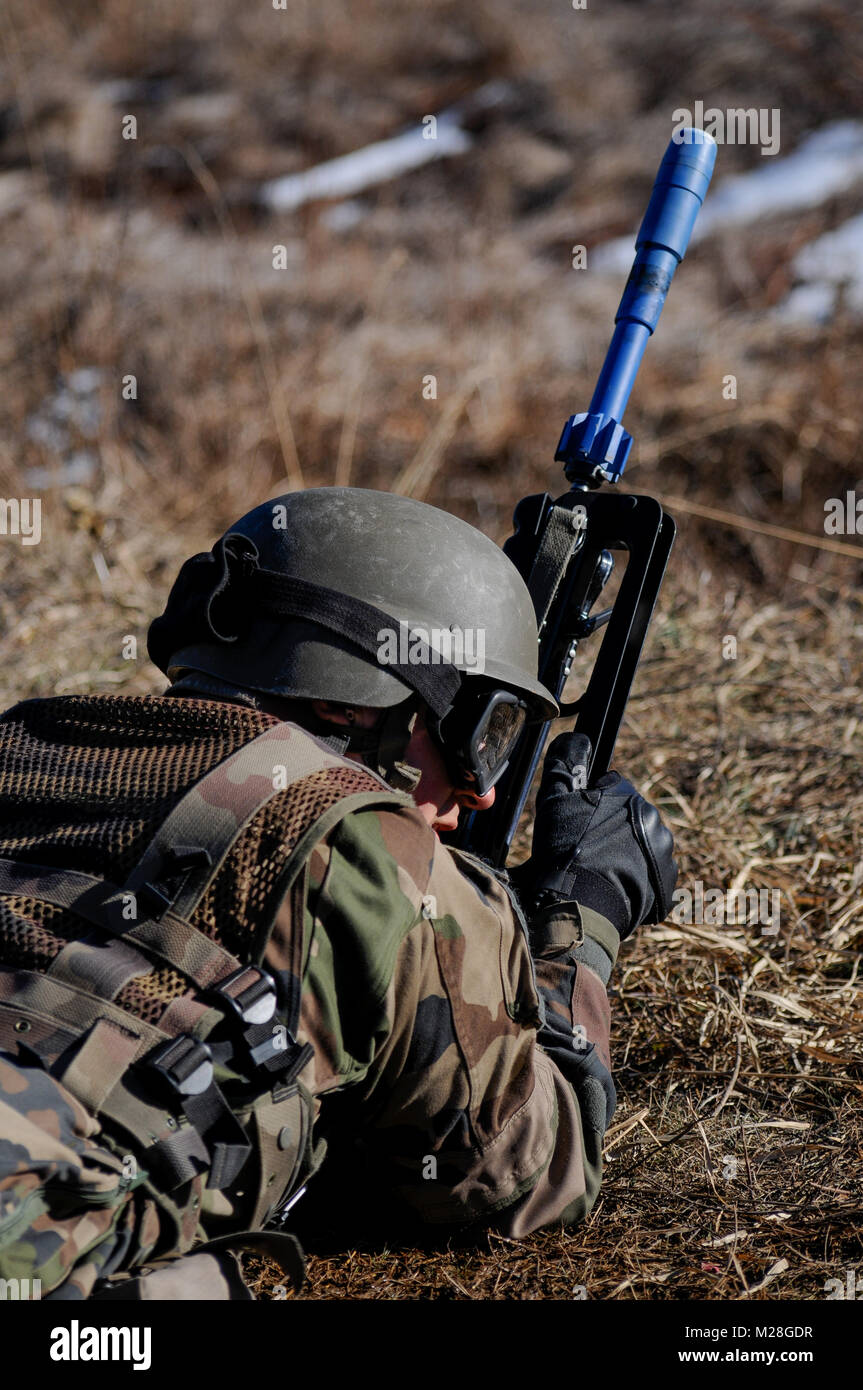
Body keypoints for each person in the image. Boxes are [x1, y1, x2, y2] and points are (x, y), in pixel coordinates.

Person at [0, 487, 676, 1300]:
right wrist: (579, 921)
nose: (484, 794)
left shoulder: (26, 744)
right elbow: (519, 1176)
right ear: (342, 700)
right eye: (484, 732)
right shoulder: (363, 847)